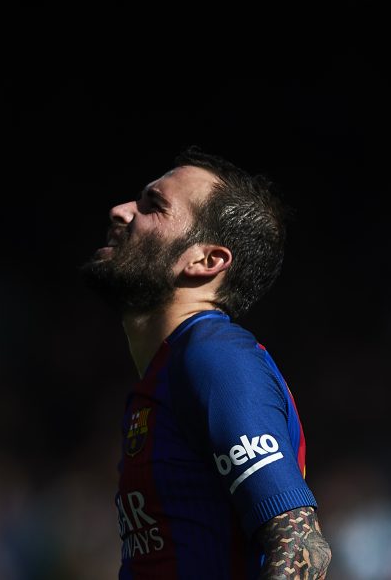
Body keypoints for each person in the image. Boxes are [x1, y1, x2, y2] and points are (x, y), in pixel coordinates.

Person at [81, 146, 331, 579]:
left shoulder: (213, 357)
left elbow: (301, 546)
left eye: (153, 206)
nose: (120, 211)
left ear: (206, 260)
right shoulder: (168, 371)